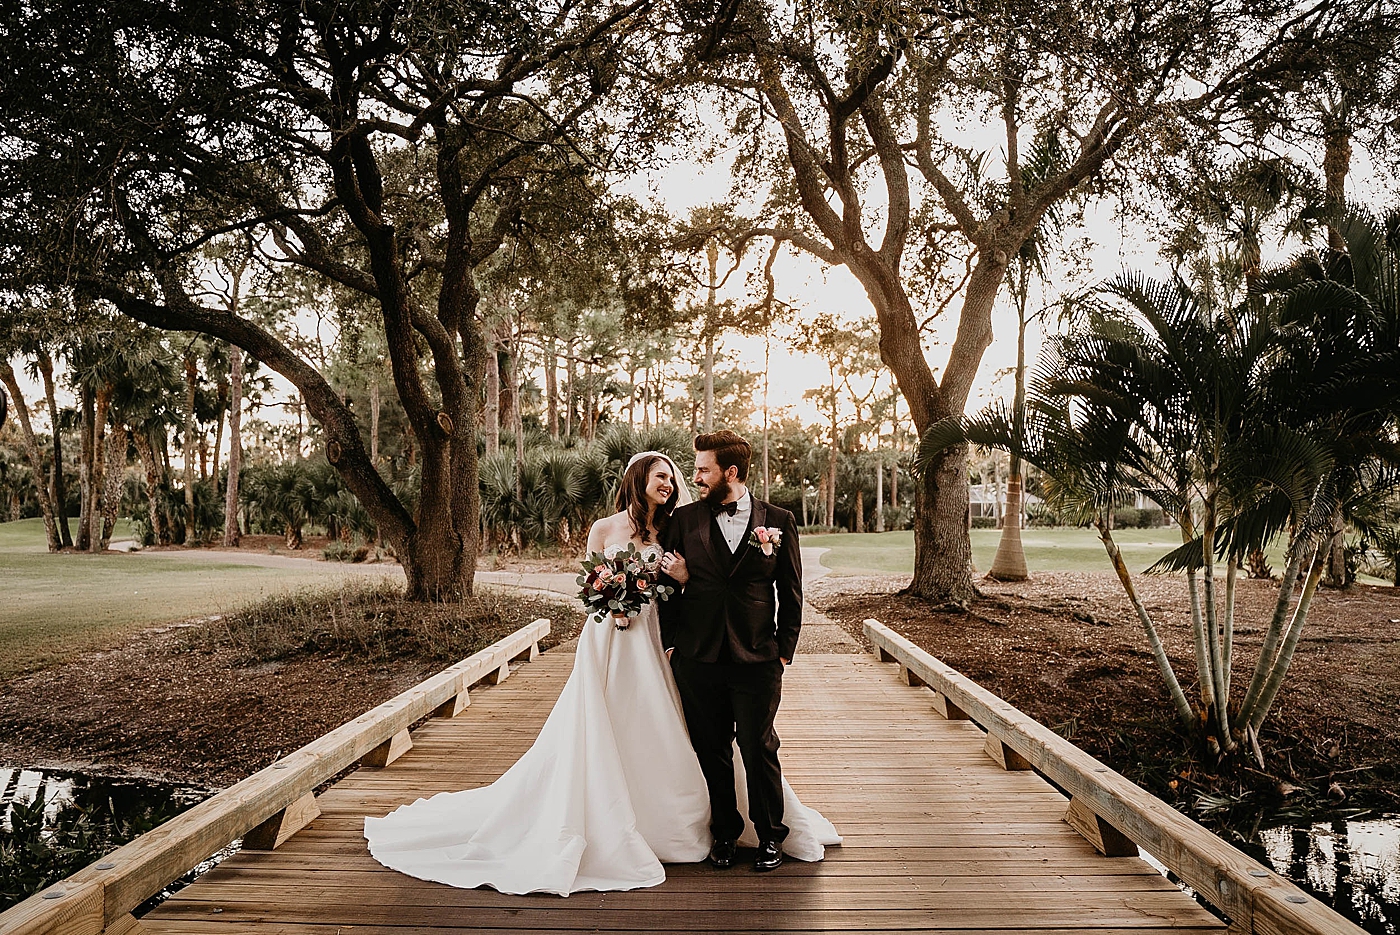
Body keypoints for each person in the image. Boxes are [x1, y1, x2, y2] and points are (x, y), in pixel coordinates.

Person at [363, 451, 837, 896]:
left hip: (664, 639)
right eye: (663, 477)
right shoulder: (605, 528)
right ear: (638, 481)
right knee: (623, 722)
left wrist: (691, 595)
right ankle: (636, 817)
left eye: (677, 477)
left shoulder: (681, 524)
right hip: (613, 638)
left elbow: (702, 584)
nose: (673, 484)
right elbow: (589, 580)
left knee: (680, 727)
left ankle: (724, 824)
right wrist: (612, 603)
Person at [658, 430, 809, 872]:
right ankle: (724, 833)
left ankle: (770, 837)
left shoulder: (778, 519)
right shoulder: (683, 521)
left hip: (758, 656)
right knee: (712, 748)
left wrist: (785, 650)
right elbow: (667, 587)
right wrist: (671, 644)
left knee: (758, 745)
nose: (696, 477)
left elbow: (792, 590)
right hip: (698, 656)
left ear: (731, 472)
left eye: (704, 469)